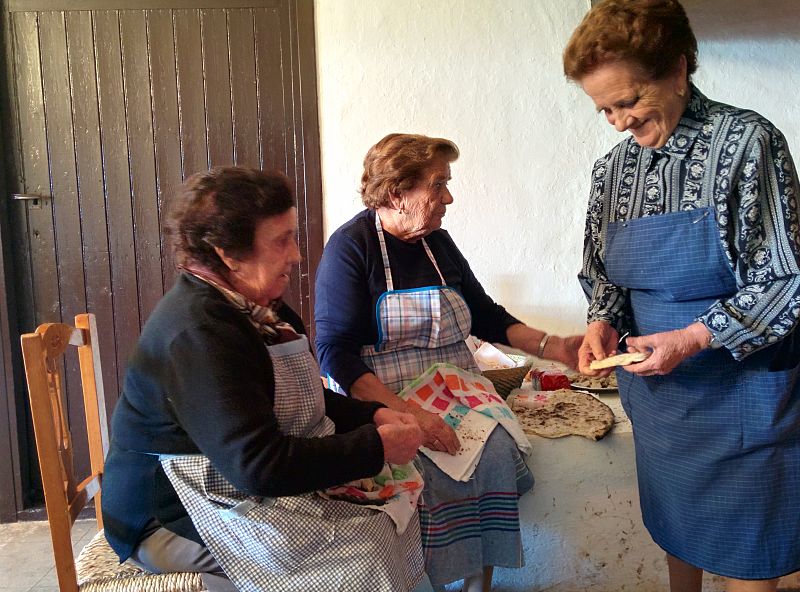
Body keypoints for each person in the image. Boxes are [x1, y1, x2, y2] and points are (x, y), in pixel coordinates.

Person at [564, 1, 800, 590]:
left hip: (741, 395)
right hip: (663, 401)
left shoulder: (747, 143)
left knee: (749, 552)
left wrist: (695, 337)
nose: (618, 122)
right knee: (677, 530)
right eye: (603, 109)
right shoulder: (611, 171)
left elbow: (785, 278)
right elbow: (604, 275)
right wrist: (601, 321)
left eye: (629, 101)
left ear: (678, 68)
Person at [101, 167, 425, 592]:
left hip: (233, 478)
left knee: (392, 513)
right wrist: (375, 447)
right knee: (360, 550)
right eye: (282, 240)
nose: (297, 255)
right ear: (228, 253)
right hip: (169, 513)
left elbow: (306, 397)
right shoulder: (199, 333)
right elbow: (258, 467)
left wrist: (374, 414)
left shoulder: (262, 312)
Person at [314, 133, 582, 591]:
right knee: (426, 472)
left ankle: (480, 586)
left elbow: (487, 316)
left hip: (457, 389)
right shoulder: (350, 248)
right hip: (383, 397)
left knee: (495, 449)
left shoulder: (438, 244)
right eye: (438, 185)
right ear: (398, 192)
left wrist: (557, 347)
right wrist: (409, 415)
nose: (449, 198)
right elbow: (334, 351)